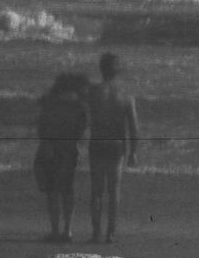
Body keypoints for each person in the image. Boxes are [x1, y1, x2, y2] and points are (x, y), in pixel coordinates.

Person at [88, 52, 139, 244]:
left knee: (97, 191)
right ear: (118, 71)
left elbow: (83, 116)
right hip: (116, 146)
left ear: (101, 69)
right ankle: (110, 233)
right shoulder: (125, 96)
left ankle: (95, 233)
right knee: (114, 190)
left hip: (97, 144)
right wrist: (134, 151)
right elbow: (134, 126)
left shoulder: (92, 92)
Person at [33, 71, 89, 242]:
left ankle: (55, 230)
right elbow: (81, 129)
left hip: (50, 148)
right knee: (67, 190)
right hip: (69, 149)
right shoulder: (78, 105)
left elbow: (42, 127)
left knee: (52, 191)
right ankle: (68, 230)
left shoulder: (49, 102)